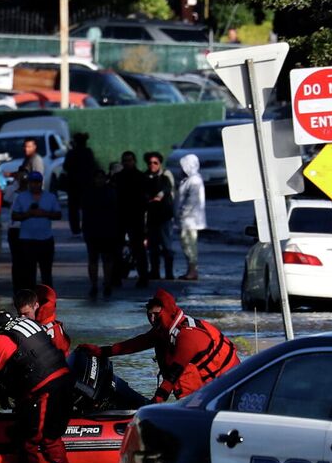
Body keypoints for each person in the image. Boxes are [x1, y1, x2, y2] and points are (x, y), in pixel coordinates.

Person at [80, 288, 238, 403]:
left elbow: (174, 373)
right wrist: (102, 351)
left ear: (168, 312)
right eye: (150, 315)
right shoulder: (165, 329)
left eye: (157, 315)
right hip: (211, 389)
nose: (153, 319)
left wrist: (157, 400)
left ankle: (189, 406)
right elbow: (136, 343)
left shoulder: (188, 335)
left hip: (227, 388)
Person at [0, 304, 74, 463]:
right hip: (66, 379)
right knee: (50, 436)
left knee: (29, 440)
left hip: (46, 388)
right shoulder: (29, 323)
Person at [10, 169, 62, 294]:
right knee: (29, 272)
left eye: (37, 182)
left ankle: (48, 298)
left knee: (46, 272)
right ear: (29, 183)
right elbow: (14, 216)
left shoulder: (50, 197)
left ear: (41, 183)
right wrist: (28, 214)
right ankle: (30, 298)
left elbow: (58, 215)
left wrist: (45, 213)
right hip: (27, 240)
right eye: (32, 182)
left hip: (46, 239)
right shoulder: (21, 197)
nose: (35, 185)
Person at [81, 168, 121, 295]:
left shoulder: (111, 192)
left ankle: (107, 283)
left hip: (107, 230)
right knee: (93, 259)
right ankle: (94, 285)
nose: (99, 180)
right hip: (93, 230)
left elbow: (115, 212)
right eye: (97, 177)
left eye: (101, 177)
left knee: (107, 259)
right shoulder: (88, 193)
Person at [110, 151, 148, 285]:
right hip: (121, 217)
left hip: (135, 217)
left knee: (138, 249)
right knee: (117, 249)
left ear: (134, 161)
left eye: (129, 160)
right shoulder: (118, 177)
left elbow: (144, 199)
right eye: (125, 161)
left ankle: (143, 277)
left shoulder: (140, 177)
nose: (127, 163)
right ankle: (116, 277)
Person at [143, 151, 176, 284]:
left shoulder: (165, 175)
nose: (152, 165)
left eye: (155, 163)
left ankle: (169, 273)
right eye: (150, 163)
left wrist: (159, 196)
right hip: (151, 216)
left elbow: (167, 189)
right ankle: (154, 271)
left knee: (167, 246)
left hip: (164, 216)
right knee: (153, 246)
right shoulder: (145, 177)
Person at [175, 153, 206, 281]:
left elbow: (191, 201)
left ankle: (192, 270)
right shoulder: (188, 179)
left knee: (189, 245)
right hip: (187, 220)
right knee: (186, 245)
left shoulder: (194, 180)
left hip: (190, 220)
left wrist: (182, 213)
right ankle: (190, 269)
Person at [62, 132, 100, 235]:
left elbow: (65, 167)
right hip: (86, 184)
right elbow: (93, 166)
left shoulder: (71, 153)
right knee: (87, 207)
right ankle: (86, 226)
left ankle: (75, 228)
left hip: (73, 185)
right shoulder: (88, 152)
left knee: (73, 208)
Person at [16, 284, 70, 356]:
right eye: (19, 314)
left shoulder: (51, 330)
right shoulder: (53, 326)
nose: (22, 317)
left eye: (26, 313)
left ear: (36, 306)